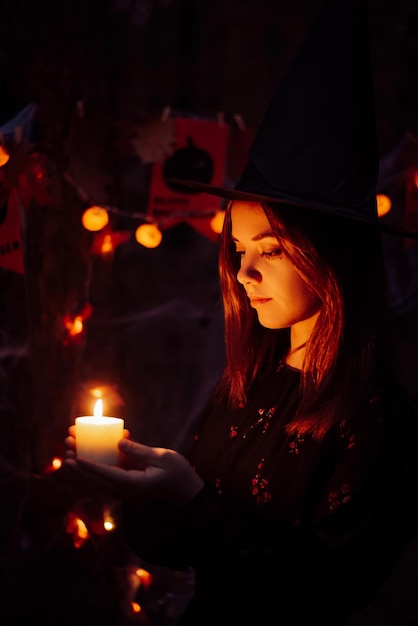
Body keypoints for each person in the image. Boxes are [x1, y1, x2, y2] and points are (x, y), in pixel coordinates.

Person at [64, 0, 418, 624]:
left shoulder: (377, 415)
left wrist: (192, 501)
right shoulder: (249, 382)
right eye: (237, 248)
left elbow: (330, 592)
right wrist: (140, 492)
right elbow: (187, 548)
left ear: (330, 258)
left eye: (271, 250)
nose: (243, 272)